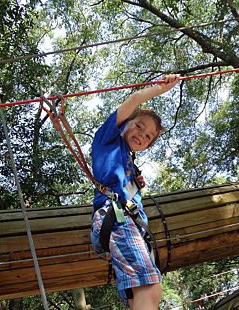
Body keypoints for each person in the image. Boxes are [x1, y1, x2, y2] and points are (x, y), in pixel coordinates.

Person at [90, 74, 179, 309]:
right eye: (139, 126)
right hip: (117, 218)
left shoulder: (128, 161)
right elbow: (133, 99)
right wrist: (160, 89)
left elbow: (122, 185)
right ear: (125, 123)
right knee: (150, 286)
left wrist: (135, 184)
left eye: (148, 136)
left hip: (129, 221)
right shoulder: (107, 140)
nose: (142, 134)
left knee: (140, 292)